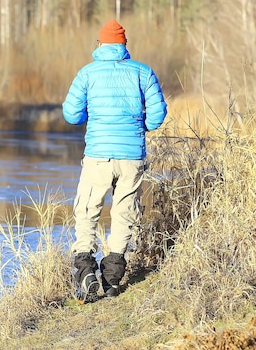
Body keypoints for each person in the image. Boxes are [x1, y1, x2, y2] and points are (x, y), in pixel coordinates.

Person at [62, 19, 167, 303]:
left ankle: (86, 273)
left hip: (98, 154)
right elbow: (157, 116)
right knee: (125, 212)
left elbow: (72, 115)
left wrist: (92, 118)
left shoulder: (87, 73)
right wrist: (137, 126)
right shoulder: (143, 72)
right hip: (132, 155)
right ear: (124, 46)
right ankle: (111, 279)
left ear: (99, 45)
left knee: (87, 210)